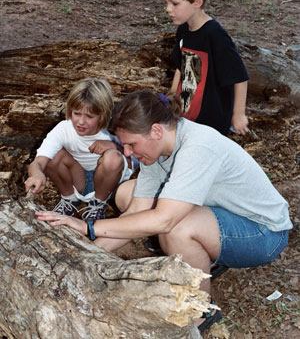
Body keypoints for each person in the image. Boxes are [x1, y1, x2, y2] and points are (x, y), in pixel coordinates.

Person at [35, 90, 292, 333]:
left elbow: (164, 219)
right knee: (130, 195)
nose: (127, 153)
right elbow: (136, 212)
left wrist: (88, 227)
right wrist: (88, 255)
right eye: (124, 145)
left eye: (131, 144)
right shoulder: (158, 150)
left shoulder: (197, 146)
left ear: (156, 130)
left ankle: (201, 310)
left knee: (176, 228)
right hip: (226, 214)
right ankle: (204, 256)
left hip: (264, 233)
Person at [25, 78, 139, 221]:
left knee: (113, 157)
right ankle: (70, 200)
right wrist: (36, 174)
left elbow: (134, 162)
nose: (81, 122)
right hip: (78, 177)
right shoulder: (64, 129)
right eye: (76, 113)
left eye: (89, 116)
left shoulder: (114, 130)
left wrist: (113, 146)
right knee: (54, 156)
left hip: (108, 181)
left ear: (103, 114)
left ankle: (98, 204)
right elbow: (39, 162)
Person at [161, 0, 249, 136]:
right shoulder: (184, 29)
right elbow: (181, 66)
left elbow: (239, 76)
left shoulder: (214, 35)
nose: (168, 9)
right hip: (186, 114)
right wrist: (172, 94)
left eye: (174, 3)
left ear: (197, 2)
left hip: (211, 121)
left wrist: (238, 115)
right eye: (167, 2)